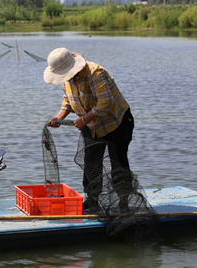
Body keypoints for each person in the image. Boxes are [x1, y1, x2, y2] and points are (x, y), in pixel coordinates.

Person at [43, 47, 134, 213]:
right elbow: (68, 101)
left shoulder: (95, 73)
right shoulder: (67, 79)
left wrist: (84, 119)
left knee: (118, 162)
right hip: (91, 125)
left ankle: (123, 201)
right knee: (91, 162)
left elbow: (105, 102)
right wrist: (59, 117)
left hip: (117, 122)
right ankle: (92, 200)